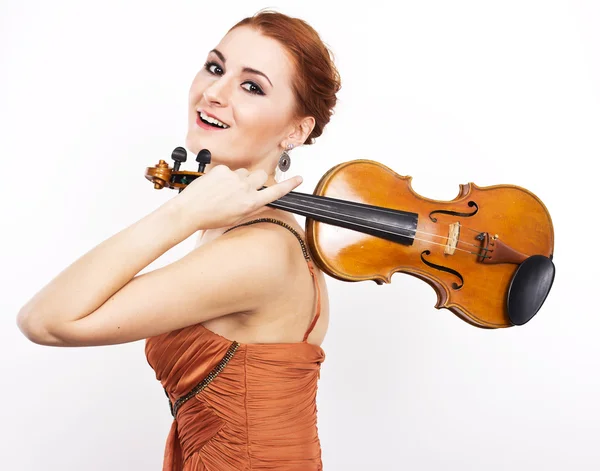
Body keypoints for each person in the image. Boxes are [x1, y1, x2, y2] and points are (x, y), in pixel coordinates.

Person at [17, 9, 341, 471]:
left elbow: (45, 320)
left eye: (251, 86)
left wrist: (182, 212)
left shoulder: (259, 251)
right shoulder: (241, 226)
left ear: (296, 131)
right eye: (215, 67)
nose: (213, 93)